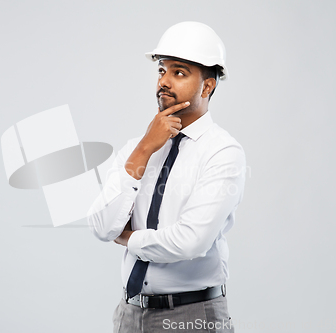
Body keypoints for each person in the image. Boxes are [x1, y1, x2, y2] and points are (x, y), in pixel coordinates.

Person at [87, 21, 245, 333]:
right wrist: (144, 149)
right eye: (162, 70)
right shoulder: (137, 147)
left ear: (208, 86)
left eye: (179, 72)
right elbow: (102, 225)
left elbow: (189, 242)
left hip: (193, 314)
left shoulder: (223, 153)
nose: (164, 81)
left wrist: (130, 238)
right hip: (129, 313)